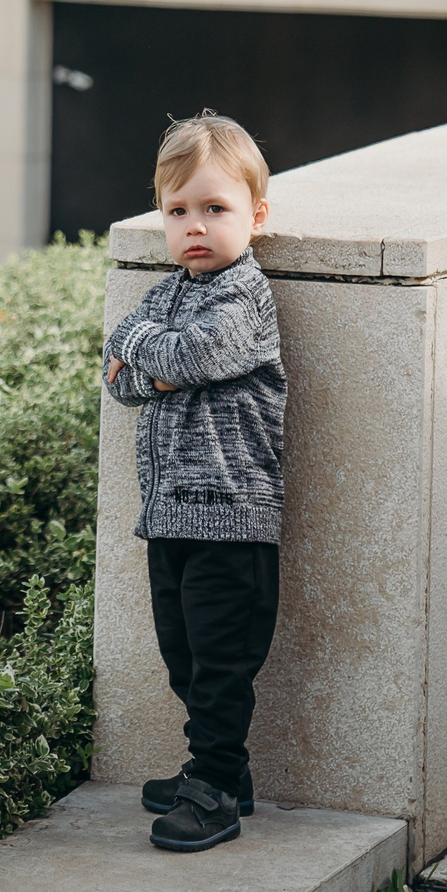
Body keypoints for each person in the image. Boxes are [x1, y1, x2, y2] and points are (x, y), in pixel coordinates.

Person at [103, 112, 287, 854]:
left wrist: (145, 352)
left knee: (220, 665)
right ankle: (223, 772)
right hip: (170, 515)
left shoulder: (245, 297)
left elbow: (187, 357)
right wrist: (151, 357)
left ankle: (213, 786)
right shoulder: (167, 294)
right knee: (181, 652)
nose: (196, 227)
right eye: (178, 211)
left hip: (231, 518)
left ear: (256, 216)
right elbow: (120, 380)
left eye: (215, 208)